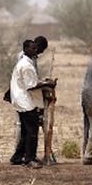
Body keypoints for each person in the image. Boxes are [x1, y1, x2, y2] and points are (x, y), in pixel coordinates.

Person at [10, 39, 54, 167]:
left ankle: (18, 156)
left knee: (25, 130)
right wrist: (46, 84)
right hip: (25, 101)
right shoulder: (26, 65)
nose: (36, 51)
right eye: (33, 49)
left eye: (36, 48)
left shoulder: (25, 62)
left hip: (21, 100)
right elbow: (31, 85)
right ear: (26, 49)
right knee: (32, 131)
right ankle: (30, 159)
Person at [34, 35, 58, 165]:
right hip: (26, 99)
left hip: (36, 98)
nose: (41, 53)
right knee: (23, 127)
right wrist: (44, 84)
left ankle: (46, 154)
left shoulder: (33, 59)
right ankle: (25, 155)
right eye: (41, 49)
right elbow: (31, 82)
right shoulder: (25, 58)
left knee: (44, 126)